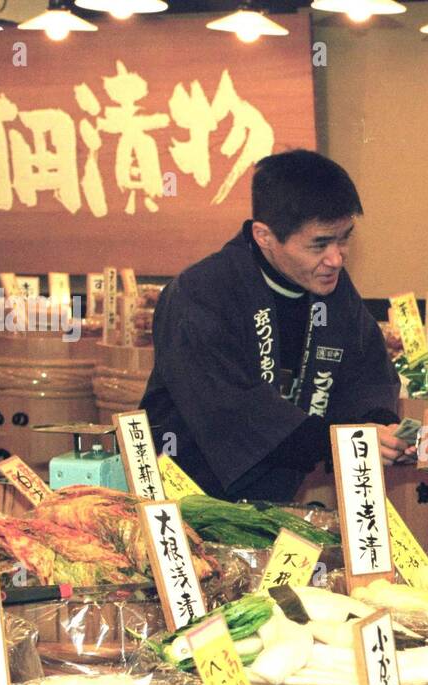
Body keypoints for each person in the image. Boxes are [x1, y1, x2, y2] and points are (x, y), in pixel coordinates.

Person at [142, 150, 405, 502]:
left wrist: (379, 423)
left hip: (272, 500)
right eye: (320, 244)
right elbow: (231, 412)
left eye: (344, 238)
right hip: (184, 494)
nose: (336, 258)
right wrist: (339, 440)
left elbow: (365, 372)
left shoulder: (331, 288)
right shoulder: (201, 293)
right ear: (264, 235)